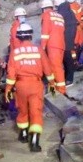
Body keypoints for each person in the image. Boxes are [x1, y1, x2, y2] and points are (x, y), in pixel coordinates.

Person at [4, 23, 55, 152]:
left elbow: (11, 74)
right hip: (36, 85)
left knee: (23, 110)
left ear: (19, 37)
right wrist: (52, 84)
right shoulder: (38, 50)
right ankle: (34, 142)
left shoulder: (15, 52)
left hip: (21, 86)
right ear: (31, 35)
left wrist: (8, 89)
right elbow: (47, 68)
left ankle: (24, 134)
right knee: (36, 112)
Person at [40, 0, 67, 95]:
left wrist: (42, 47)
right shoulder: (59, 16)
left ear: (43, 9)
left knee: (56, 68)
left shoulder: (46, 15)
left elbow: (45, 33)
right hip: (61, 45)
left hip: (52, 45)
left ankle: (61, 91)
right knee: (56, 66)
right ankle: (55, 88)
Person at [55, 0, 78, 85]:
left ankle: (69, 79)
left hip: (65, 39)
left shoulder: (62, 13)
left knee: (67, 59)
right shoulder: (69, 11)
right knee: (69, 58)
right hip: (70, 38)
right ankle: (68, 77)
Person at [66, 0, 83, 64]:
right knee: (73, 47)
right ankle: (74, 61)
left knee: (79, 45)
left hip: (80, 29)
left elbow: (82, 15)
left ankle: (78, 61)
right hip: (72, 30)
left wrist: (82, 24)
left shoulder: (77, 5)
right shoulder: (66, 6)